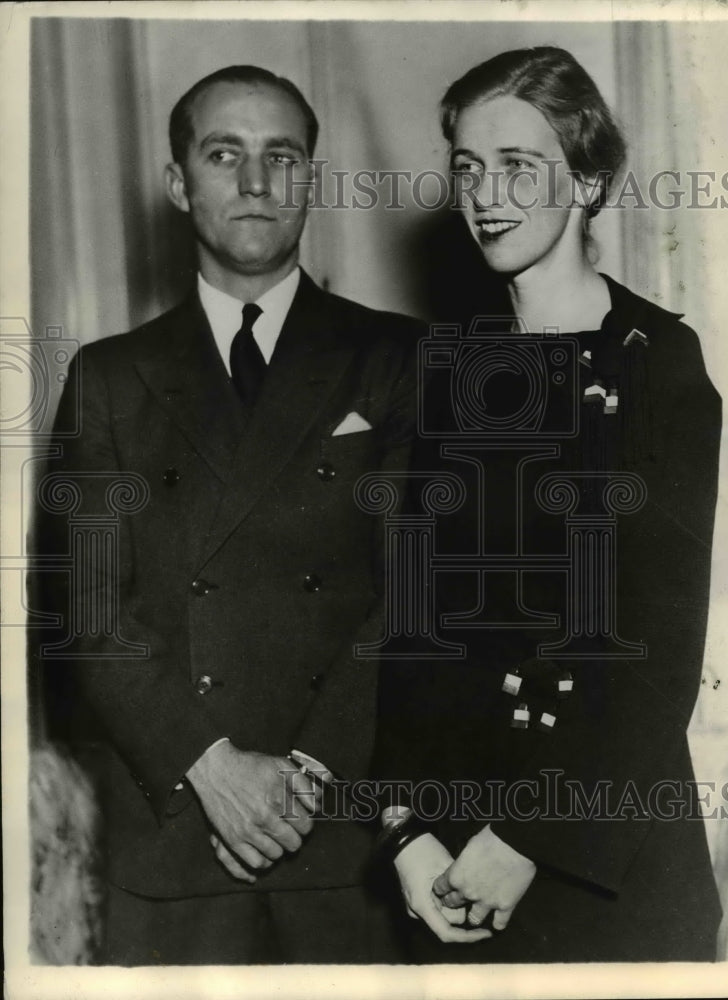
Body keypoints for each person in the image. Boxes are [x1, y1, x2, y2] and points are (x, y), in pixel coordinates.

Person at [37, 64, 422, 965]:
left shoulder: (398, 356)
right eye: (224, 155)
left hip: (347, 840)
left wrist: (306, 780)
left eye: (281, 157)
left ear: (313, 183)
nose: (256, 182)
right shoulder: (108, 376)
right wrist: (210, 764)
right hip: (174, 836)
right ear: (179, 184)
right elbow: (86, 614)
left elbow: (420, 594)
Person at [374, 46, 723, 962]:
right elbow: (414, 635)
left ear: (589, 180)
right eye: (469, 169)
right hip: (449, 853)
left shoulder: (660, 364)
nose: (488, 195)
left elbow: (659, 651)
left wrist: (531, 838)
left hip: (603, 858)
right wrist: (405, 835)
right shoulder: (448, 367)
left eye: (521, 168)